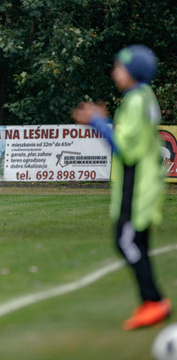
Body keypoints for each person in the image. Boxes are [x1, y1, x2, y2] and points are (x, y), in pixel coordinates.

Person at [72, 45, 171, 330]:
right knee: (137, 242)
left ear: (133, 71)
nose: (115, 72)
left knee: (124, 240)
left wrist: (98, 123)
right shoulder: (143, 97)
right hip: (144, 183)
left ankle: (153, 301)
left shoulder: (136, 101)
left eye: (119, 67)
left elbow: (123, 148)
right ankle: (149, 302)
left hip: (136, 185)